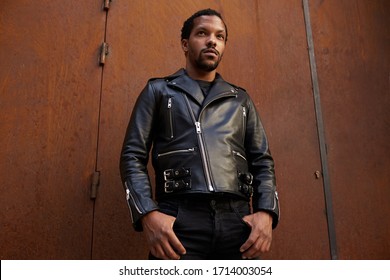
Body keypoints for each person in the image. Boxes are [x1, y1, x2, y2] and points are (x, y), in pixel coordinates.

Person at [120, 8, 279, 260]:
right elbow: (132, 156)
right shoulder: (158, 91)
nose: (212, 41)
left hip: (238, 222)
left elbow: (262, 161)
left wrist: (266, 212)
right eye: (202, 33)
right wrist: (146, 213)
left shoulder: (240, 99)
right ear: (185, 43)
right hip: (178, 220)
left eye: (220, 36)